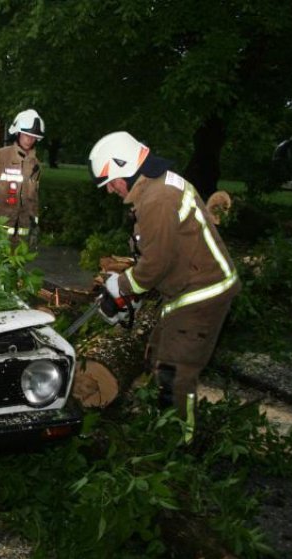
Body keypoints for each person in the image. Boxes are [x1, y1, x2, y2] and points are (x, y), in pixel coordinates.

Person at [88, 131, 241, 441]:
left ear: (126, 169)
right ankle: (159, 423)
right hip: (192, 285)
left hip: (202, 292)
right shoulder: (159, 186)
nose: (111, 191)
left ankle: (176, 446)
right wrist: (133, 295)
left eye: (111, 182)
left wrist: (122, 286)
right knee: (157, 350)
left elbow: (155, 264)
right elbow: (163, 255)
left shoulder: (156, 199)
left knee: (174, 370)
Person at [0, 109, 44, 247]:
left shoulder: (36, 165)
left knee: (15, 268)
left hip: (21, 236)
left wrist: (34, 225)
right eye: (26, 134)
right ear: (18, 133)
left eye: (33, 136)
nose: (29, 139)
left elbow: (34, 198)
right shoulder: (1, 156)